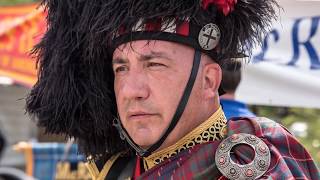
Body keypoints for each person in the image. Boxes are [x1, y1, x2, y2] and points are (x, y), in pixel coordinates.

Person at [26, 0, 320, 179]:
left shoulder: (257, 165)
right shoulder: (116, 170)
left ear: (208, 81)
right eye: (121, 68)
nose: (130, 90)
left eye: (154, 65)